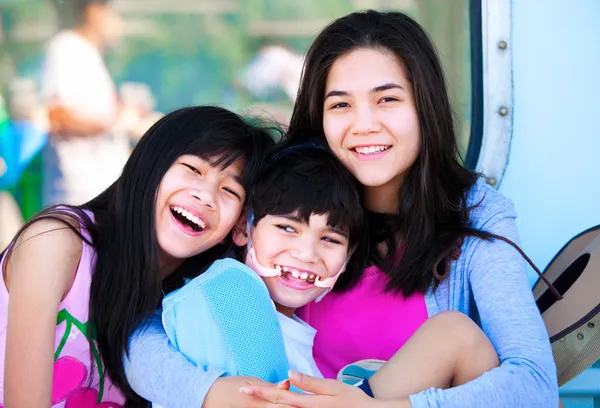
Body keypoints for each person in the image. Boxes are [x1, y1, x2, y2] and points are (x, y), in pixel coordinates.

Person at [125, 10, 559, 408]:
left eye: (387, 99)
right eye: (341, 104)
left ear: (424, 107)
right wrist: (212, 393)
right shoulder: (286, 196)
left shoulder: (476, 217)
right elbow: (146, 332)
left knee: (456, 334)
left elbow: (534, 385)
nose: (364, 123)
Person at [126, 141, 499, 407]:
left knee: (456, 332)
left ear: (348, 256)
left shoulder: (293, 328)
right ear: (243, 229)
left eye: (330, 239)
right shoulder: (231, 295)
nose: (306, 254)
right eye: (287, 228)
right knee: (455, 333)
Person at [0, 106, 275, 407]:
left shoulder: (193, 304)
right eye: (193, 169)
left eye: (230, 191)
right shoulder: (57, 244)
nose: (205, 196)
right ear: (149, 167)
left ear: (237, 227)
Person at [42, 0, 144, 206]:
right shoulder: (67, 48)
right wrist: (114, 123)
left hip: (103, 189)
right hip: (78, 194)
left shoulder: (91, 55)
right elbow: (58, 117)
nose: (118, 22)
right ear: (94, 12)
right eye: (111, 12)